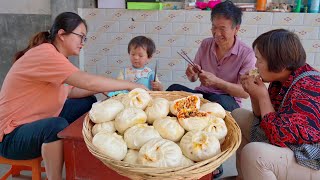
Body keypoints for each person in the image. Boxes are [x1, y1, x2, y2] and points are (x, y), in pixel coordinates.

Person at [0, 12, 146, 180]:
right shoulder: (45, 54)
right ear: (62, 35)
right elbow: (88, 82)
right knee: (56, 126)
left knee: (87, 101)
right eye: (80, 37)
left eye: (85, 38)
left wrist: (99, 90)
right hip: (11, 137)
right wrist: (131, 84)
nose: (83, 43)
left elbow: (71, 91)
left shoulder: (57, 57)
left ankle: (76, 152)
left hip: (36, 120)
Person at [232, 29, 320, 180]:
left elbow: (278, 138)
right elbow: (263, 119)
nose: (256, 65)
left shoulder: (308, 87)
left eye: (259, 60)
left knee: (254, 153)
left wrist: (263, 96)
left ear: (279, 65)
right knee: (237, 116)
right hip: (288, 142)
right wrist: (255, 94)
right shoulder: (281, 79)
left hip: (311, 159)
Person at [167, 0, 256, 112]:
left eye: (222, 29)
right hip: (203, 95)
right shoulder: (206, 44)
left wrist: (216, 82)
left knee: (219, 101)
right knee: (173, 89)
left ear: (236, 29)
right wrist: (192, 73)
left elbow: (245, 93)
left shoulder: (247, 54)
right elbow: (193, 78)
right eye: (214, 27)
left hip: (227, 100)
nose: (217, 33)